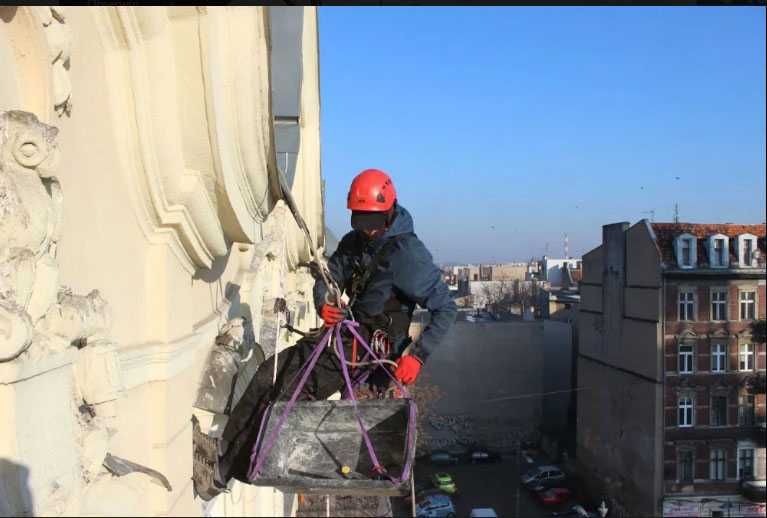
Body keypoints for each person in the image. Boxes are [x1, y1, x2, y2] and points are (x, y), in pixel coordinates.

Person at [214, 168, 457, 489]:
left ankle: (231, 466)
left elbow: (446, 308)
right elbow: (328, 276)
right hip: (345, 338)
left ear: (390, 213)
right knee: (267, 377)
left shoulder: (407, 255)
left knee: (286, 393)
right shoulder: (354, 243)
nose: (368, 230)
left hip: (368, 350)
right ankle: (224, 455)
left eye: (374, 222)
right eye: (360, 221)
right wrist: (323, 302)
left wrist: (418, 356)